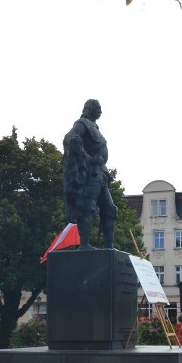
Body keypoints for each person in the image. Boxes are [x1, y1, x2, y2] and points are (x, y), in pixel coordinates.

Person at [63, 99, 118, 250]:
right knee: (88, 207)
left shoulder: (94, 127)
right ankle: (84, 244)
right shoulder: (82, 124)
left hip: (101, 173)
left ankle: (109, 247)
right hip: (91, 173)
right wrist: (89, 159)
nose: (101, 111)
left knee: (110, 209)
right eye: (98, 108)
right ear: (91, 108)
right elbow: (71, 139)